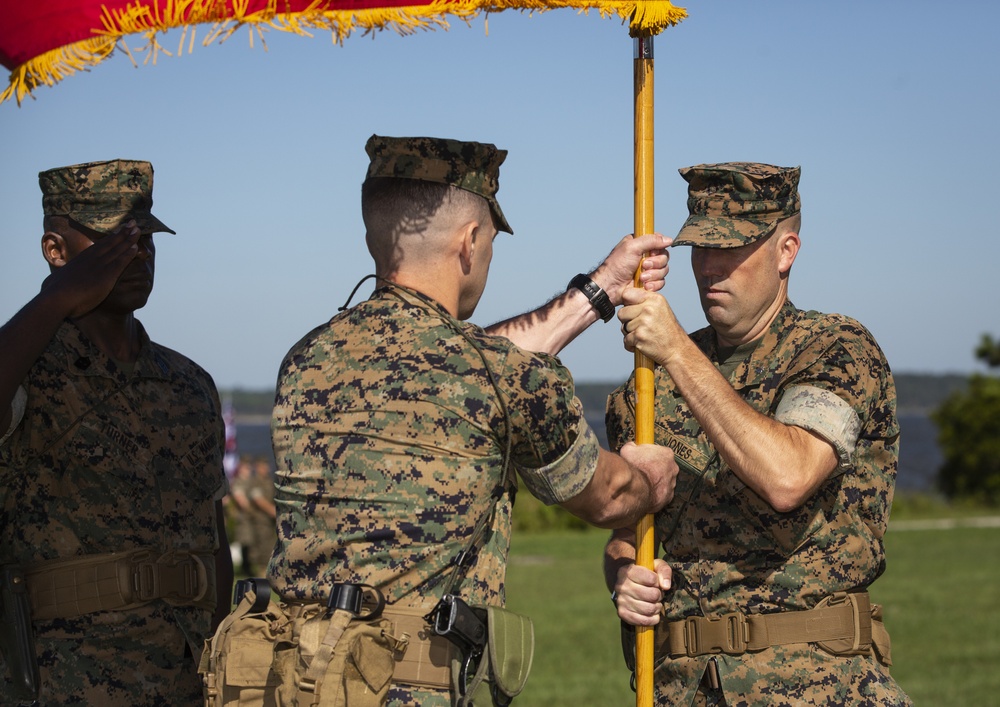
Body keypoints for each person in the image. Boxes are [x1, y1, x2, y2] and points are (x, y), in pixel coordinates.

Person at [265, 134, 679, 706]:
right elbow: (608, 498)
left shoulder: (306, 360)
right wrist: (649, 479)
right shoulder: (495, 375)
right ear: (470, 241)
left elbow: (448, 362)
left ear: (373, 236)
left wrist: (600, 289)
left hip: (289, 684)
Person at [603, 162, 910, 706]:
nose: (709, 269)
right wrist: (624, 576)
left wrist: (675, 348)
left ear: (786, 251)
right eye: (700, 248)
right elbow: (628, 535)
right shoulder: (647, 386)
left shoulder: (834, 348)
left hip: (816, 686)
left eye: (731, 249)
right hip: (683, 687)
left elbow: (789, 476)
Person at [0, 159, 233, 704]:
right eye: (113, 241)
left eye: (146, 238)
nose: (139, 253)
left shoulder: (188, 384)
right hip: (62, 683)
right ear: (56, 251)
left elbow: (213, 535)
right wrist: (56, 299)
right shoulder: (26, 369)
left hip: (184, 681)